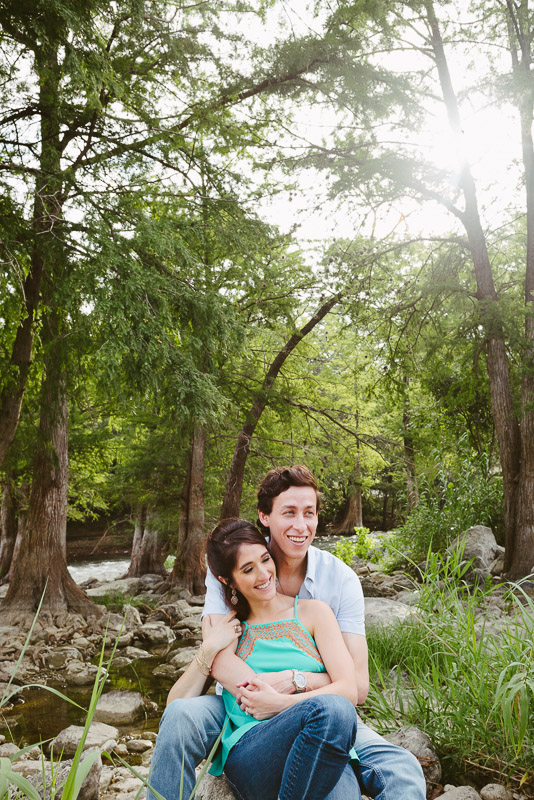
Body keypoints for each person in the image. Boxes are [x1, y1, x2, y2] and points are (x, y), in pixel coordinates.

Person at [147, 465, 426, 800]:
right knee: (181, 714)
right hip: (245, 712)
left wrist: (291, 686)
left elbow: (356, 686)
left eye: (309, 513)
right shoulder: (230, 558)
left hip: (316, 712)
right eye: (289, 512)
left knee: (399, 768)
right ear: (266, 517)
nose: (300, 525)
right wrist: (269, 699)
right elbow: (219, 657)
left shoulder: (338, 583)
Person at [205, 517, 360, 799]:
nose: (264, 574)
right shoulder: (227, 629)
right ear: (228, 581)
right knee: (335, 709)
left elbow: (349, 689)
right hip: (255, 750)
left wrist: (282, 702)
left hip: (324, 746)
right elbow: (337, 698)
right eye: (248, 569)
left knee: (337, 714)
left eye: (265, 560)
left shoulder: (315, 613)